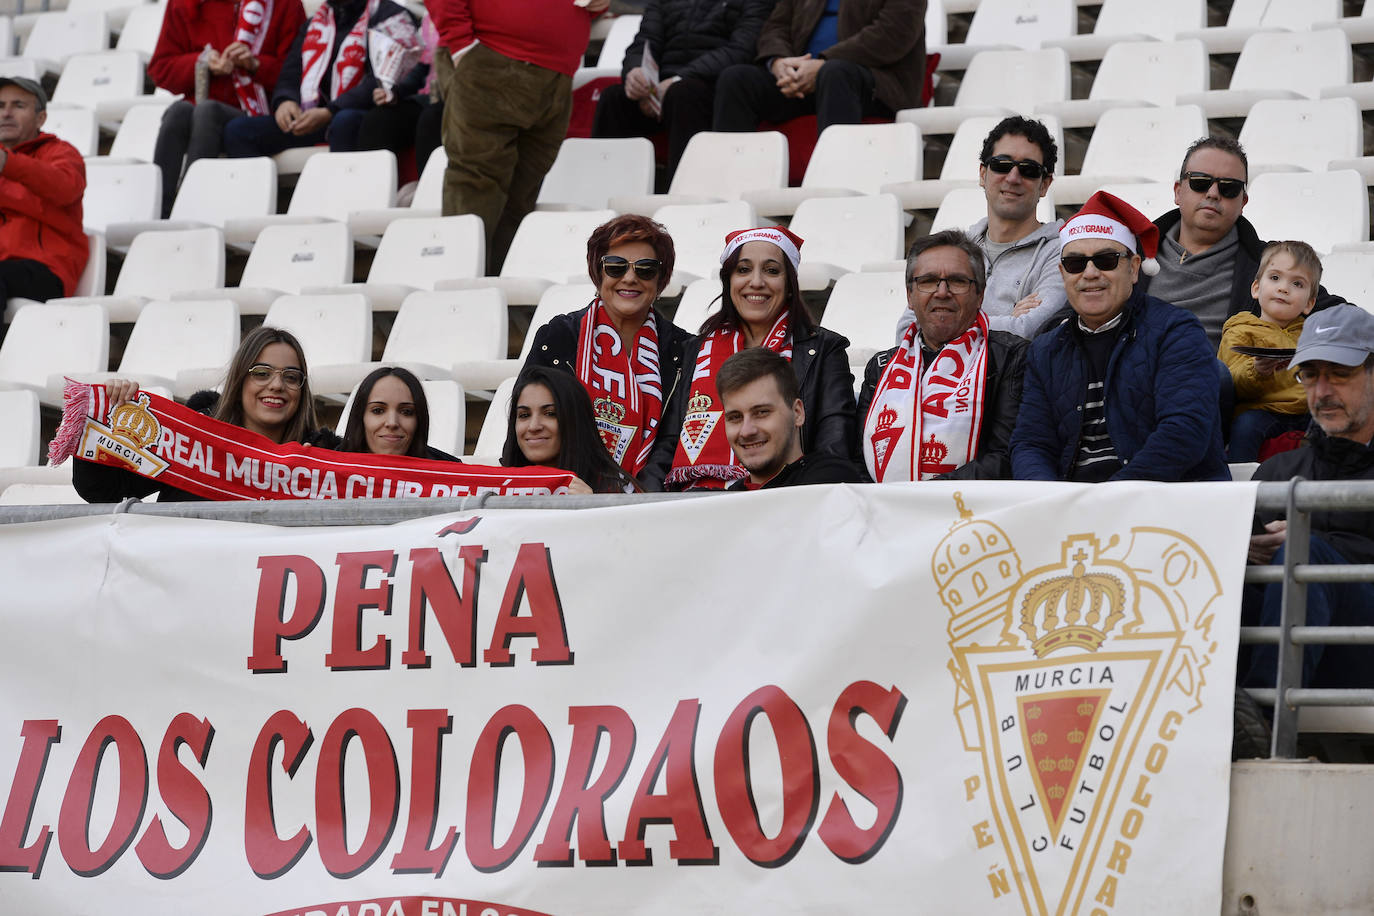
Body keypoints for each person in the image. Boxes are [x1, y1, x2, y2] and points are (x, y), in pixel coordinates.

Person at [1010, 191, 1229, 482]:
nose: (1089, 273)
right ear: (1063, 275)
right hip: (1073, 513)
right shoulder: (1045, 349)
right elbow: (1030, 444)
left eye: (1106, 260)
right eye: (1076, 263)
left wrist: (1110, 499)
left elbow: (1184, 432)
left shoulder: (1177, 331)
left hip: (1164, 510)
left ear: (1134, 268)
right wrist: (1052, 502)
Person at [644, 225, 857, 490]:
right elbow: (669, 444)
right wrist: (643, 501)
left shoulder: (824, 349)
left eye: (771, 270)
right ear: (729, 281)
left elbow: (833, 446)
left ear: (789, 284)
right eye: (743, 270)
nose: (756, 281)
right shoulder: (694, 350)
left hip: (784, 500)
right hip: (691, 504)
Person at [1244, 304, 1374, 689]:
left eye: (1340, 374)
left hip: (1360, 646)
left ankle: (1260, 726)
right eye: (1310, 375)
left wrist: (1304, 541)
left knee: (1304, 555)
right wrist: (1245, 551)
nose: (1322, 391)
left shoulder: (1277, 475)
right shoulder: (1276, 472)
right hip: (1291, 643)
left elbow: (1311, 551)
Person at [429, 0, 610, 274]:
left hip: (554, 71)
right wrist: (462, 45)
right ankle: (457, 293)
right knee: (476, 182)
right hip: (493, 56)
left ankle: (497, 297)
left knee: (521, 191)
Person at [73, 326, 337, 502]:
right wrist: (102, 420)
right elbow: (102, 491)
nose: (277, 385)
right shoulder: (188, 437)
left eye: (291, 377)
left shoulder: (323, 459)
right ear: (239, 379)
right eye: (262, 373)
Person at [521, 214, 690, 482]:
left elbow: (674, 442)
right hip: (565, 493)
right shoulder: (559, 336)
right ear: (598, 273)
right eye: (616, 266)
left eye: (645, 269)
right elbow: (528, 423)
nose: (630, 277)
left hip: (650, 500)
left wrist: (638, 500)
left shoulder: (684, 349)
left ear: (661, 279)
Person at [1144, 136, 1345, 351]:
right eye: (1200, 182)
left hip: (1219, 380)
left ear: (1243, 202)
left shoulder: (1268, 263)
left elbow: (1341, 318)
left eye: (1228, 188)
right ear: (1178, 191)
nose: (1212, 193)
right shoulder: (1128, 254)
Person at [860, 229, 1027, 481]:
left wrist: (928, 495)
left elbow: (1007, 455)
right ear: (910, 296)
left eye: (958, 281)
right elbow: (859, 458)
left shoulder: (1011, 357)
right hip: (885, 511)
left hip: (970, 512)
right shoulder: (881, 368)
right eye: (928, 281)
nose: (942, 292)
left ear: (980, 295)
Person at [894, 116, 1064, 343]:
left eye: (1029, 170)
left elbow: (1028, 330)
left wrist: (941, 324)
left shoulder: (1063, 253)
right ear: (983, 174)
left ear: (1044, 184)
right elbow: (906, 330)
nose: (1013, 178)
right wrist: (1005, 320)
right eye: (1002, 165)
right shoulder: (955, 249)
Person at [148, 0, 306, 217]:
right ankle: (159, 213)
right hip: (198, 111)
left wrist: (254, 65)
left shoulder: (283, 4)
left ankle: (191, 210)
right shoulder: (183, 4)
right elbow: (160, 69)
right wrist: (200, 62)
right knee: (178, 113)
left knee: (207, 112)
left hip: (256, 114)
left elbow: (297, 72)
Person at [591, 0, 774, 184]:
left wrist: (679, 78)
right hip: (662, 86)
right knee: (613, 97)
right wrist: (636, 72)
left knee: (683, 94)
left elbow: (741, 49)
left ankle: (684, 194)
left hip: (714, 86)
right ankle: (605, 191)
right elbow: (644, 42)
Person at [222, 0, 419, 159]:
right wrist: (285, 101)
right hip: (312, 117)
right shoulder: (315, 22)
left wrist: (330, 111)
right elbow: (291, 72)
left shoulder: (391, 16)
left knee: (344, 121)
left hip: (360, 115)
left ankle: (340, 204)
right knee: (239, 131)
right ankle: (264, 206)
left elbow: (384, 78)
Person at [712, 0, 926, 138]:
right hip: (800, 82)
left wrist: (823, 63)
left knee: (835, 73)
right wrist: (780, 62)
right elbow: (776, 26)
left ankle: (836, 179)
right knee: (737, 79)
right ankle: (731, 184)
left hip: (875, 83)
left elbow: (894, 34)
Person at [1219, 240, 1319, 462]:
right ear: (1256, 288)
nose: (1284, 288)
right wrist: (1257, 369)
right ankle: (1239, 480)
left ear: (1309, 303)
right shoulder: (1240, 329)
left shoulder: (1313, 333)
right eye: (1275, 278)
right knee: (1246, 426)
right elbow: (1231, 381)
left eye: (1297, 284)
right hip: (1262, 410)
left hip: (1308, 412)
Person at [719, 347, 862, 488]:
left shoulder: (833, 482)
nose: (746, 431)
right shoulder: (723, 500)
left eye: (762, 412)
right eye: (735, 417)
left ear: (797, 413)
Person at [0, 77, 87, 307]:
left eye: (18, 106)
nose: (6, 113)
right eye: (0, 106)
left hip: (45, 268)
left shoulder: (62, 153)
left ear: (41, 118)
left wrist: (8, 163)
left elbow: (65, 189)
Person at [501, 366, 638, 494]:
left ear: (575, 420)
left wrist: (593, 508)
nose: (534, 426)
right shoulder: (495, 488)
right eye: (524, 415)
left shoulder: (620, 490)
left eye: (550, 413)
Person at [354, 10, 443, 180]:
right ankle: (370, 198)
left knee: (432, 118)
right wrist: (394, 92)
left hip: (465, 97)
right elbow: (421, 68)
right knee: (378, 119)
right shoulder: (432, 15)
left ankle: (431, 197)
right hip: (428, 96)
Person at [339, 366, 459, 460]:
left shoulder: (454, 474)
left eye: (406, 412)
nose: (392, 423)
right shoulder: (325, 469)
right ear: (360, 417)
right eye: (378, 411)